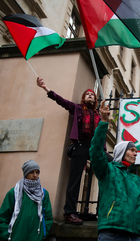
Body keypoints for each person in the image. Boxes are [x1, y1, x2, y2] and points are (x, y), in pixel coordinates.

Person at [36, 77, 113, 225]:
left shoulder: (99, 114)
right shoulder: (77, 108)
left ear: (95, 99)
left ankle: (106, 211)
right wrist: (46, 88)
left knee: (112, 166)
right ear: (83, 98)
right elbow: (61, 101)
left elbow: (102, 132)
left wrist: (105, 118)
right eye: (87, 94)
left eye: (92, 94)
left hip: (95, 148)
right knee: (75, 180)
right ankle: (70, 213)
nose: (90, 95)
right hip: (81, 146)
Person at [89, 102, 140, 241]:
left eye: (136, 151)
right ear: (122, 152)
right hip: (111, 233)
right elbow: (96, 151)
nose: (135, 154)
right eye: (132, 150)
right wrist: (103, 122)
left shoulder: (137, 180)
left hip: (135, 236)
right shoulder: (108, 170)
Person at [0, 160, 53, 241]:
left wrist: (43, 234)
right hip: (16, 237)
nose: (35, 175)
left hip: (36, 237)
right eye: (31, 172)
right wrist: (7, 235)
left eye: (37, 172)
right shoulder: (14, 192)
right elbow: (3, 217)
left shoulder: (43, 193)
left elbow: (48, 216)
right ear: (26, 174)